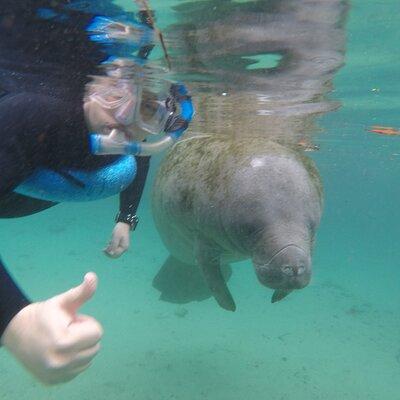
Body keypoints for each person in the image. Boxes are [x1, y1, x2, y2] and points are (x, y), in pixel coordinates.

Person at [0, 0, 193, 385]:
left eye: (149, 108)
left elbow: (137, 159)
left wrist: (126, 219)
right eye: (114, 93)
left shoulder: (127, 141)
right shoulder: (33, 114)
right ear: (93, 84)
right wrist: (13, 320)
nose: (124, 114)